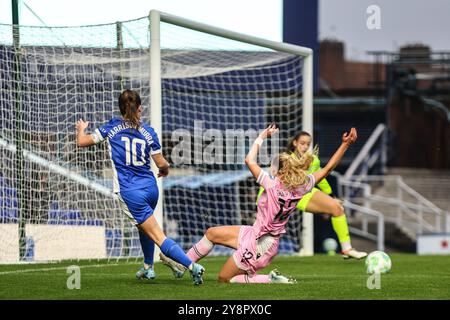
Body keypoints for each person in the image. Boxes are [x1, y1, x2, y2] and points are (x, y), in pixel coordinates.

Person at [160, 124, 358, 284]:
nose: (269, 168)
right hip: (255, 233)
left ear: (279, 172)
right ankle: (183, 264)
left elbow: (249, 159)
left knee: (224, 279)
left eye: (272, 165)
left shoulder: (270, 184)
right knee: (212, 233)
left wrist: (262, 137)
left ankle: (269, 279)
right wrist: (345, 145)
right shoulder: (302, 186)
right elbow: (329, 168)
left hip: (261, 243)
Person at [75, 89, 205, 285]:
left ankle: (191, 266)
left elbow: (81, 142)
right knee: (144, 227)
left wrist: (81, 129)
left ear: (121, 109)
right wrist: (165, 171)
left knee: (157, 236)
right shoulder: (148, 132)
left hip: (130, 192)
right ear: (140, 109)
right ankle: (148, 267)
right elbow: (162, 164)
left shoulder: (111, 127)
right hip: (151, 189)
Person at [264, 131, 366, 259]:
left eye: (308, 144)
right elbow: (268, 182)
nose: (305, 146)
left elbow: (322, 177)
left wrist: (331, 195)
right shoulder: (283, 160)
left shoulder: (313, 161)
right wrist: (260, 203)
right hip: (282, 196)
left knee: (336, 207)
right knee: (265, 234)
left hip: (302, 193)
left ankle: (347, 249)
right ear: (295, 143)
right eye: (302, 143)